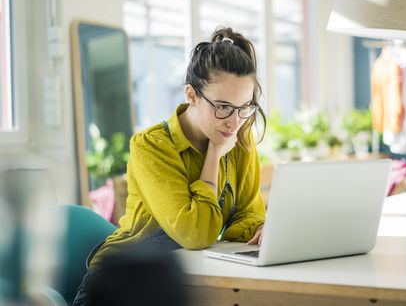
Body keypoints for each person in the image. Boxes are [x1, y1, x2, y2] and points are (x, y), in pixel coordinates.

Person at [73, 26, 266, 305]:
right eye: (222, 107)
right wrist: (214, 155)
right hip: (121, 286)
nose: (234, 121)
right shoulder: (151, 147)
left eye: (244, 107)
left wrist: (260, 230)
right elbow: (196, 234)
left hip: (185, 279)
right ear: (191, 95)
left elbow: (248, 217)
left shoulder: (238, 141)